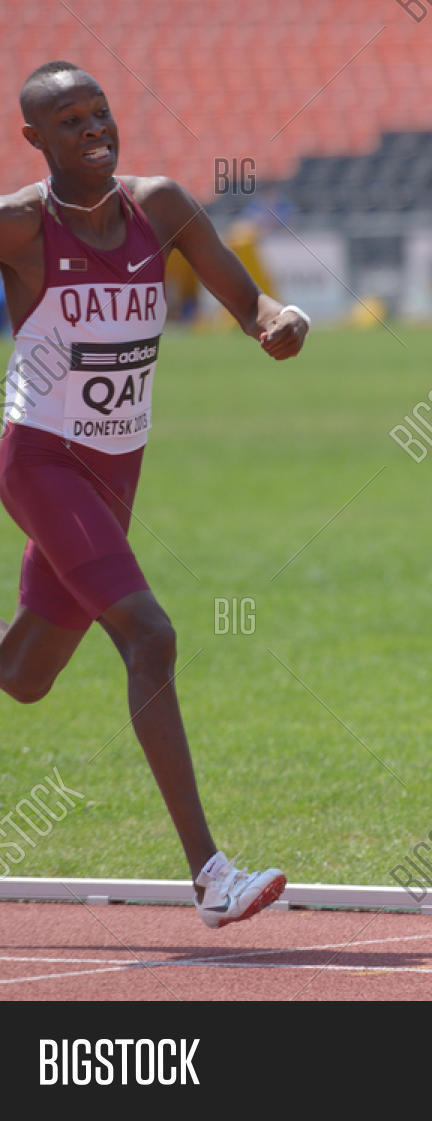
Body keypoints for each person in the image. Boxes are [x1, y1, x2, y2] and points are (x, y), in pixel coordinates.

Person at [0, 61, 310, 927]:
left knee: (26, 675)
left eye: (99, 112)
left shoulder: (161, 206)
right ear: (34, 138)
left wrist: (277, 321)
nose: (93, 128)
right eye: (69, 120)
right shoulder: (21, 227)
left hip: (116, 471)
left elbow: (249, 303)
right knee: (151, 633)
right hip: (41, 461)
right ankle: (211, 875)